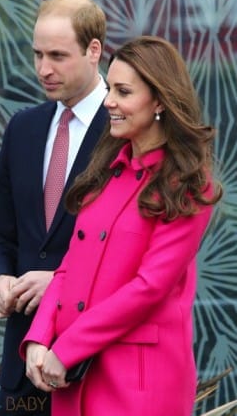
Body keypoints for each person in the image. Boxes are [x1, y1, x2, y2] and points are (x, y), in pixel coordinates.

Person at [21, 35, 222, 416]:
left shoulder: (188, 184)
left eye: (123, 91)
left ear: (160, 100)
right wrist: (38, 337)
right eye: (109, 86)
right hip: (73, 375)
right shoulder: (107, 168)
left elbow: (149, 288)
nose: (109, 100)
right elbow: (69, 267)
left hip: (138, 384)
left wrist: (65, 348)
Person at [0, 0, 108, 416]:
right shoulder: (23, 128)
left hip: (97, 363)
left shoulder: (124, 129)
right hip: (22, 366)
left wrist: (58, 279)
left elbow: (132, 259)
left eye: (57, 55)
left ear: (94, 51)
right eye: (37, 54)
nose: (43, 69)